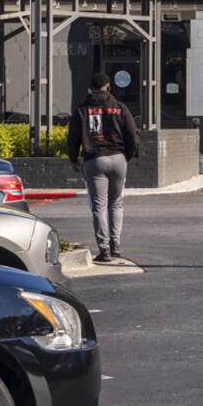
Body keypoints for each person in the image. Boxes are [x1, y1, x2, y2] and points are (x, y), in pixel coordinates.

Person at [68, 72, 139, 264]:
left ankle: (104, 249)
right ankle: (116, 246)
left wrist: (73, 159)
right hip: (118, 158)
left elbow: (73, 136)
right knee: (116, 203)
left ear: (92, 87)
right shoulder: (119, 107)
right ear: (108, 86)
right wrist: (127, 156)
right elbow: (132, 134)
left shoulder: (83, 109)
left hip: (94, 159)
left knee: (98, 206)